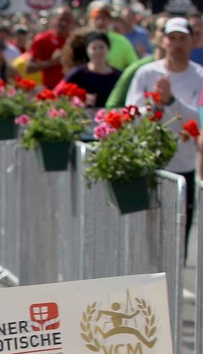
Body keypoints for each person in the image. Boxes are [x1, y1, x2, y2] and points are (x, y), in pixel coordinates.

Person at [127, 17, 203, 256]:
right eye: (172, 38)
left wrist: (171, 102)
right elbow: (130, 113)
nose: (177, 44)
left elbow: (199, 120)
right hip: (148, 162)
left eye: (182, 39)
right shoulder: (146, 73)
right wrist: (154, 107)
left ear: (193, 41)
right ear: (163, 41)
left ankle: (173, 289)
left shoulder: (199, 77)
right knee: (147, 236)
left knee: (179, 234)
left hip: (183, 164)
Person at [55, 31, 120, 108]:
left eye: (101, 47)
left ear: (108, 49)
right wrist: (79, 99)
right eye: (94, 48)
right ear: (87, 51)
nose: (98, 51)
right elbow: (57, 93)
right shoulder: (77, 73)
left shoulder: (118, 76)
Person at [26, 6, 75, 88]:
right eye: (61, 19)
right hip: (50, 89)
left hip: (71, 88)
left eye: (67, 20)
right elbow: (29, 68)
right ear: (54, 20)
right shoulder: (42, 39)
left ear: (72, 23)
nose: (63, 23)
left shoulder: (76, 40)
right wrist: (51, 62)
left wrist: (68, 59)